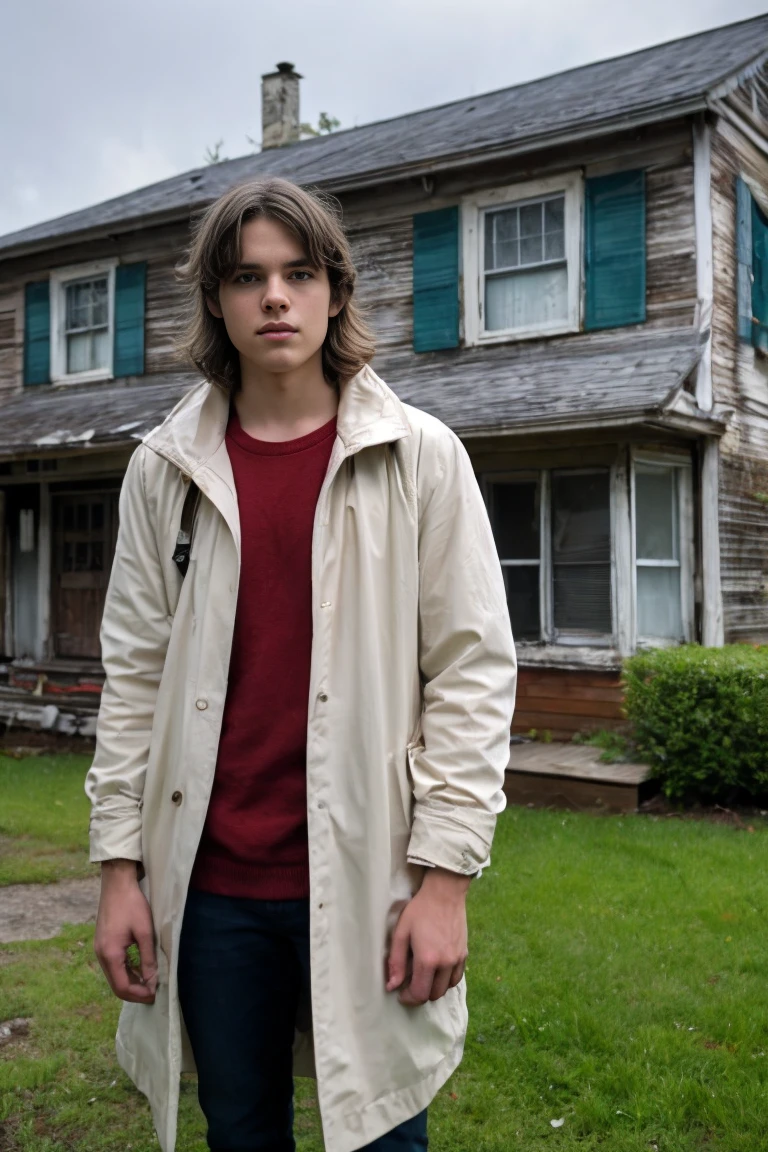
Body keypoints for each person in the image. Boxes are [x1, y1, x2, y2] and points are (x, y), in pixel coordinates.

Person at [86, 176, 517, 1152]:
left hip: (373, 883)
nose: (274, 296)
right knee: (240, 1132)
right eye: (247, 276)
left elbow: (473, 673)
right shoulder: (165, 472)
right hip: (215, 891)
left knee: (381, 1137)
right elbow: (134, 684)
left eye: (298, 272)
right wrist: (120, 870)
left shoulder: (421, 459)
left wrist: (445, 880)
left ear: (334, 290)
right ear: (216, 301)